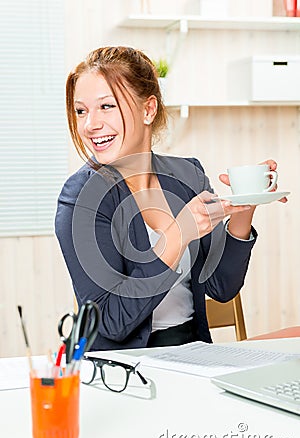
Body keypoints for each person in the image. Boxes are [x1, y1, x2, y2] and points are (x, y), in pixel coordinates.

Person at [55, 46, 285, 350]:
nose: (89, 125)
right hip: (125, 371)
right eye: (81, 110)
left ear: (148, 110)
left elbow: (221, 286)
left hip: (193, 353)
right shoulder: (80, 198)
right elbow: (110, 322)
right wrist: (177, 235)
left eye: (106, 106)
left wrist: (245, 205)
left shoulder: (187, 175)